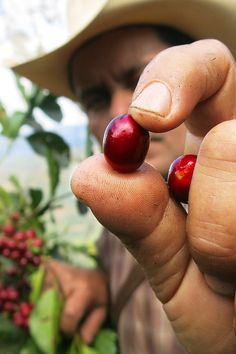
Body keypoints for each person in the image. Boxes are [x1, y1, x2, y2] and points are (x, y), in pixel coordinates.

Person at [10, 1, 236, 353]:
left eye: (140, 81)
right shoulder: (115, 228)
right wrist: (102, 287)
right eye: (97, 99)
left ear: (199, 87)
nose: (121, 112)